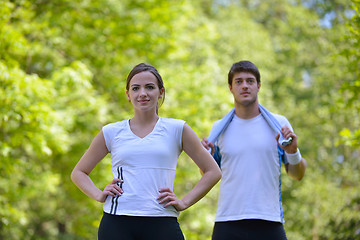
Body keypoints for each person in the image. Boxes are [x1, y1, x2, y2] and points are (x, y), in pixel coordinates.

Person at [71, 63, 222, 240]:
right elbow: (78, 173)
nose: (143, 93)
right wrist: (98, 194)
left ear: (160, 92)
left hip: (162, 221)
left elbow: (213, 172)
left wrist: (184, 202)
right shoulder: (111, 132)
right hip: (117, 223)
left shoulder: (177, 128)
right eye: (136, 88)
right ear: (128, 95)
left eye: (149, 87)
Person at [201, 60, 307, 240]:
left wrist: (293, 152)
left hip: (269, 221)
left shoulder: (279, 125)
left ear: (258, 86)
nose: (245, 86)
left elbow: (298, 174)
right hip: (228, 221)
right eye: (239, 81)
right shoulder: (219, 129)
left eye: (250, 81)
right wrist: (205, 157)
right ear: (230, 87)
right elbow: (208, 174)